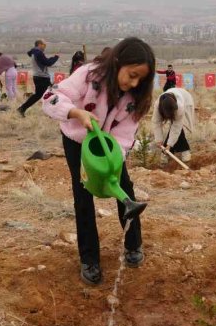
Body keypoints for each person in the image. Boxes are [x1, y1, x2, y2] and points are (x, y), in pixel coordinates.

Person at [42, 37, 156, 286]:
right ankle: (89, 259)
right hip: (77, 142)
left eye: (140, 79)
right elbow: (51, 97)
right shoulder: (89, 75)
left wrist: (112, 164)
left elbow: (125, 135)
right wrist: (76, 112)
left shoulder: (135, 97)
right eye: (132, 75)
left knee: (124, 187)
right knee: (83, 195)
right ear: (118, 61)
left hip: (111, 147)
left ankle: (133, 244)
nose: (134, 83)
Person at [152, 88, 195, 164]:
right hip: (171, 101)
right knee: (175, 129)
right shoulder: (158, 106)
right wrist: (159, 140)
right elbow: (156, 123)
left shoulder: (179, 106)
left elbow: (176, 127)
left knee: (178, 127)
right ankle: (183, 150)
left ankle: (184, 151)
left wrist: (169, 145)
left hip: (186, 100)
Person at [18, 39, 59, 117]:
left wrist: (52, 58)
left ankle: (22, 108)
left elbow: (44, 62)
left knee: (42, 95)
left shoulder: (34, 52)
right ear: (40, 44)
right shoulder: (38, 53)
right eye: (44, 45)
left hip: (38, 76)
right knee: (50, 93)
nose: (45, 47)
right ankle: (52, 112)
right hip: (42, 77)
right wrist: (55, 57)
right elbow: (48, 63)